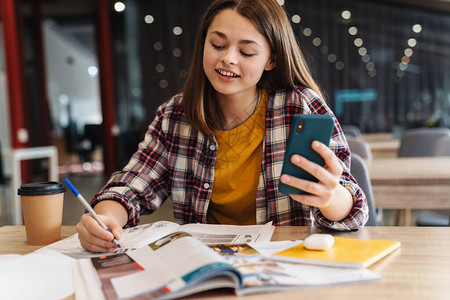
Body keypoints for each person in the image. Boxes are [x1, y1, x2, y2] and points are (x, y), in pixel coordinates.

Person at [77, 0, 368, 252]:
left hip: (284, 260)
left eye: (247, 52)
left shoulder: (299, 106)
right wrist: (104, 217)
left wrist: (331, 197)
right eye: (217, 44)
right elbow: (133, 184)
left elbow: (355, 209)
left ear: (271, 60)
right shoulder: (175, 116)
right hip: (206, 262)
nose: (228, 58)